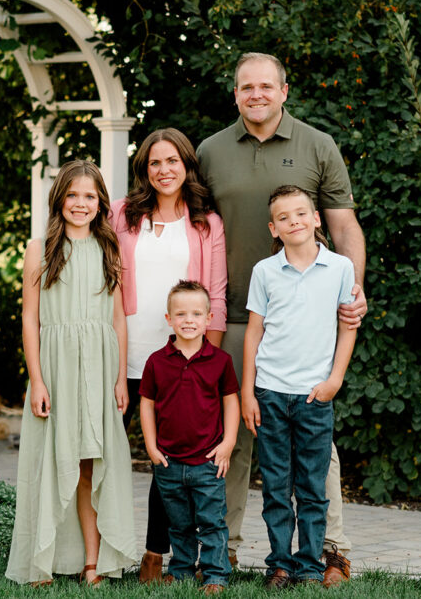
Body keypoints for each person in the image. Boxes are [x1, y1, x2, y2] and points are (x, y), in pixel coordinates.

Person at [196, 52, 367, 586]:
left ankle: (331, 551)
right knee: (231, 433)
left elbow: (344, 226)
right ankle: (223, 550)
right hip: (229, 317)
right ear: (235, 94)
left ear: (284, 91)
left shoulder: (318, 145)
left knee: (315, 441)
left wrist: (353, 291)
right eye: (246, 87)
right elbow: (191, 227)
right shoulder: (210, 151)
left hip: (305, 317)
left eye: (266, 86)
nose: (257, 94)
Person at [5, 160, 137, 586]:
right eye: (73, 195)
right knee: (50, 461)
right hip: (56, 367)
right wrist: (38, 380)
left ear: (101, 203)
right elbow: (30, 319)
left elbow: (118, 319)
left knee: (91, 464)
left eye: (90, 196)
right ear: (59, 199)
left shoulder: (110, 249)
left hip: (100, 367)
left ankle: (92, 564)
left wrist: (120, 379)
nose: (81, 203)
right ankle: (41, 560)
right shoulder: (39, 249)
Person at [110, 127, 227, 582]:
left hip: (179, 362)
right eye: (154, 162)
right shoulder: (122, 214)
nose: (164, 170)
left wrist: (206, 363)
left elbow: (216, 296)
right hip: (123, 353)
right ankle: (93, 552)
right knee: (101, 453)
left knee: (168, 461)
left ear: (187, 165)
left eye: (172, 161)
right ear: (144, 168)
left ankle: (154, 556)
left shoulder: (206, 223)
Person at [242, 185, 357, 587]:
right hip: (270, 393)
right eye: (284, 217)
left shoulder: (340, 268)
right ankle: (279, 564)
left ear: (316, 218)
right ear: (273, 228)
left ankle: (308, 565)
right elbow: (254, 333)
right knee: (275, 487)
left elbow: (348, 327)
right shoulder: (264, 271)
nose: (294, 221)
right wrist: (248, 392)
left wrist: (334, 380)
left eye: (301, 213)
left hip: (314, 395)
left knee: (312, 487)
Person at [139, 280, 239, 594]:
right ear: (169, 319)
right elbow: (147, 404)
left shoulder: (220, 361)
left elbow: (231, 402)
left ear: (209, 319)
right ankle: (181, 571)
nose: (189, 320)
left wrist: (228, 443)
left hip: (208, 461)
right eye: (181, 314)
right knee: (178, 524)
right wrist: (151, 446)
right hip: (169, 461)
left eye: (196, 314)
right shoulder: (157, 361)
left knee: (211, 522)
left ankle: (215, 576)